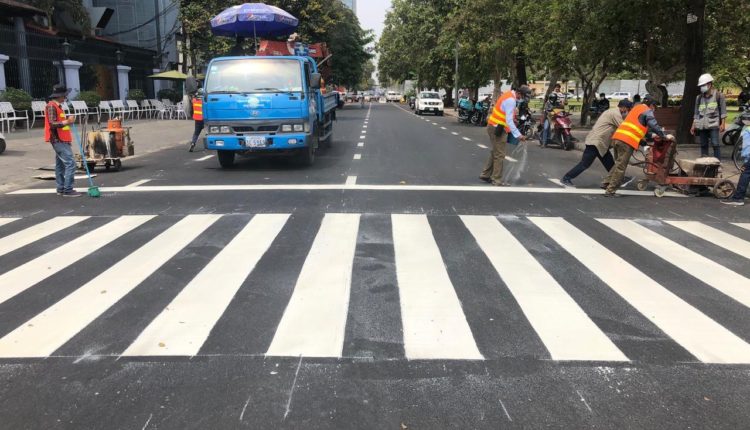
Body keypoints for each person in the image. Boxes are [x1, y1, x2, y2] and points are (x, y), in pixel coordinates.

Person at [561, 99, 633, 187]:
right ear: (624, 108)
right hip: (596, 142)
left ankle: (620, 179)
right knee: (585, 164)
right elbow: (624, 127)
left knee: (610, 164)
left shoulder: (612, 112)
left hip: (601, 143)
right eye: (628, 109)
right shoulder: (615, 113)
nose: (628, 111)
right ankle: (566, 178)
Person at [603, 94, 665, 197]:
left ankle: (606, 183)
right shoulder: (647, 111)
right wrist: (663, 135)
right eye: (654, 107)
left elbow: (637, 128)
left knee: (618, 163)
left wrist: (650, 137)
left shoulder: (636, 109)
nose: (654, 109)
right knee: (621, 167)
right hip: (626, 141)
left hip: (618, 138)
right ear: (651, 105)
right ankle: (610, 190)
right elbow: (653, 125)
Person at [480, 85, 530, 186]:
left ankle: (485, 174)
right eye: (523, 96)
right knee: (500, 154)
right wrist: (518, 135)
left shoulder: (508, 95)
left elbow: (506, 116)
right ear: (519, 93)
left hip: (495, 126)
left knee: (495, 152)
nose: (522, 99)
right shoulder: (511, 100)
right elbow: (509, 121)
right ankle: (496, 179)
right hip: (497, 128)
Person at [45, 84, 80, 197]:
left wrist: (67, 121)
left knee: (60, 165)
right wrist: (67, 121)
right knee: (70, 163)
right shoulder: (51, 106)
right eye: (64, 95)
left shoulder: (57, 106)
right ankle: (68, 189)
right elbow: (52, 124)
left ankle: (61, 188)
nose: (65, 98)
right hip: (58, 139)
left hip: (61, 139)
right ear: (60, 96)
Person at [691, 73, 727, 158]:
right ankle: (704, 163)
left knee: (715, 144)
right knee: (703, 145)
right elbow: (696, 113)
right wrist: (693, 125)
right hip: (702, 125)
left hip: (713, 124)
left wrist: (723, 124)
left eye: (703, 85)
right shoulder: (699, 98)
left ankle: (717, 163)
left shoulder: (719, 95)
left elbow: (723, 111)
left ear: (709, 84)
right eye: (701, 86)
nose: (701, 87)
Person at [721, 112, 750, 205]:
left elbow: (747, 147)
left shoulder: (747, 130)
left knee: (745, 174)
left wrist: (746, 160)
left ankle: (738, 198)